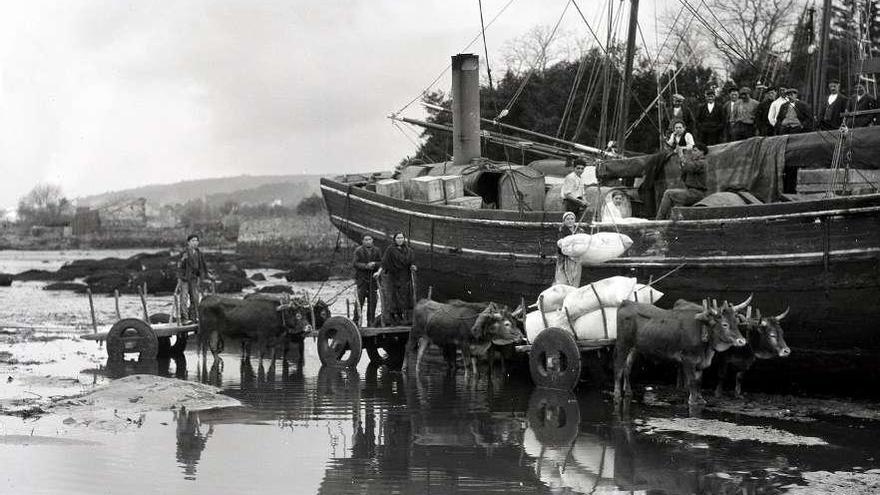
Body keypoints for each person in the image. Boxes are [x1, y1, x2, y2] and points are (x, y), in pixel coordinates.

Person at [655, 143, 709, 220]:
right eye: (693, 150)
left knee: (668, 194)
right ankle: (669, 224)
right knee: (675, 205)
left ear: (702, 152)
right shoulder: (695, 162)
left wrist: (681, 155)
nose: (693, 152)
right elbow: (684, 173)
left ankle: (658, 220)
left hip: (696, 194)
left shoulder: (702, 163)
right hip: (691, 192)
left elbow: (688, 167)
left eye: (695, 150)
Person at [375, 232, 416, 325]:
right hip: (393, 276)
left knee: (405, 296)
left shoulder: (408, 250)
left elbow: (411, 262)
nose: (400, 240)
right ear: (394, 239)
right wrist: (378, 272)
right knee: (394, 297)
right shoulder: (390, 250)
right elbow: (384, 262)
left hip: (405, 276)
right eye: (398, 238)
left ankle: (404, 316)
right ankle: (394, 316)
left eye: (401, 238)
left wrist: (413, 266)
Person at [178, 233, 210, 322]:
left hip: (194, 279)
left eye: (196, 241)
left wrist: (206, 276)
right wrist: (180, 277)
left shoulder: (199, 254)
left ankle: (193, 317)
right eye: (193, 241)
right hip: (185, 278)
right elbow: (179, 266)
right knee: (184, 299)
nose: (195, 243)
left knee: (195, 299)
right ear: (188, 243)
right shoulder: (184, 253)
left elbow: (203, 266)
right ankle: (184, 318)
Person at [352, 234, 382, 326]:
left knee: (372, 302)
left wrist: (374, 264)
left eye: (369, 239)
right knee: (359, 301)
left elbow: (381, 262)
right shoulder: (358, 251)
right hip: (362, 280)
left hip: (373, 281)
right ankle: (356, 321)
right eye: (366, 240)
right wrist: (366, 266)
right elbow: (355, 263)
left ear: (372, 240)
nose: (368, 241)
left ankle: (371, 321)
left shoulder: (377, 250)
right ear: (362, 241)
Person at [555, 211, 585, 286]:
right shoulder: (561, 231)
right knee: (563, 281)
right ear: (564, 221)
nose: (570, 221)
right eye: (567, 219)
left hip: (576, 260)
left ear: (574, 220)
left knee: (575, 279)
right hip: (564, 260)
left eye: (572, 219)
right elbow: (560, 247)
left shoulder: (579, 231)